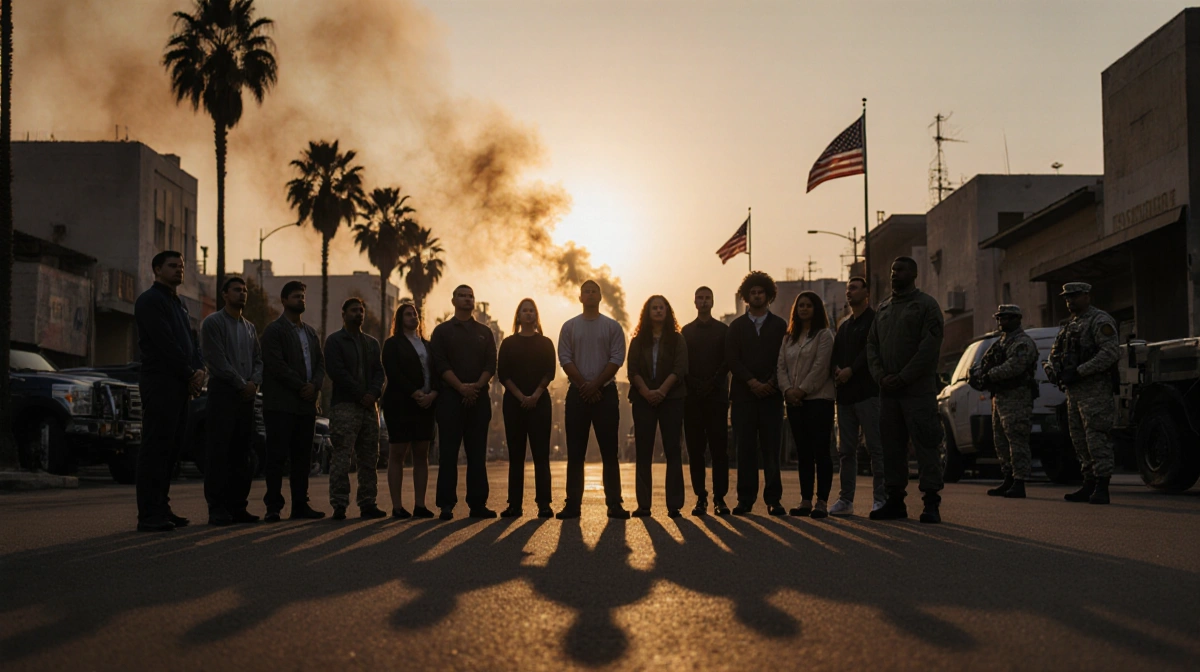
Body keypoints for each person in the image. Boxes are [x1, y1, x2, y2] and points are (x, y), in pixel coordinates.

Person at [867, 257, 946, 524]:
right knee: (892, 448)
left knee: (926, 444)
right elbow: (872, 347)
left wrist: (903, 377)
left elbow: (928, 349)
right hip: (889, 393)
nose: (894, 274)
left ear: (913, 273)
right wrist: (881, 377)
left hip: (917, 391)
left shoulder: (926, 305)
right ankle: (895, 501)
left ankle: (931, 503)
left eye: (899, 270)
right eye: (892, 270)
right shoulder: (884, 308)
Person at [133, 250, 205, 532]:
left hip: (180, 385)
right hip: (160, 382)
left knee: (172, 449)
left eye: (182, 266)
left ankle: (162, 507)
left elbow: (192, 342)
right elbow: (165, 344)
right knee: (156, 448)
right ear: (157, 269)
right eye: (173, 266)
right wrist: (190, 373)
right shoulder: (150, 301)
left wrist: (199, 369)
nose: (179, 270)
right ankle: (149, 514)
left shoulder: (179, 303)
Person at [557, 280, 630, 520]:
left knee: (610, 452)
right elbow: (565, 358)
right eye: (585, 291)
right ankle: (572, 504)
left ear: (600, 297)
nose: (589, 294)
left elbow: (617, 357)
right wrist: (584, 385)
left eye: (594, 291)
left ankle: (614, 503)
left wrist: (596, 384)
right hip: (577, 394)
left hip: (605, 393)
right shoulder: (569, 327)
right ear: (580, 297)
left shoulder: (612, 327)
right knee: (575, 453)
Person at [1044, 282, 1120, 505]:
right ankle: (1088, 484)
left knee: (1096, 438)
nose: (1070, 301)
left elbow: (1110, 352)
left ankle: (1102, 486)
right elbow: (1054, 354)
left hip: (1095, 390)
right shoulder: (1069, 326)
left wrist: (1079, 372)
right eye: (1067, 297)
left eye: (1075, 296)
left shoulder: (1100, 320)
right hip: (1074, 393)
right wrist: (1052, 370)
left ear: (1087, 296)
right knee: (1079, 440)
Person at [199, 276, 264, 525]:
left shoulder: (249, 327)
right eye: (237, 290)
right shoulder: (213, 323)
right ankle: (217, 508)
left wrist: (254, 383)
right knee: (219, 452)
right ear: (224, 294)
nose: (242, 294)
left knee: (242, 453)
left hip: (246, 396)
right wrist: (242, 383)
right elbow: (217, 360)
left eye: (245, 290)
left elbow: (258, 359)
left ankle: (238, 506)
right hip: (224, 393)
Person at [260, 281, 326, 521]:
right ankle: (273, 507)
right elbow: (276, 366)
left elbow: (320, 363)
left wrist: (315, 385)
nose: (301, 300)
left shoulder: (310, 332)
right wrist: (302, 386)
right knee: (277, 458)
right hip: (281, 405)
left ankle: (300, 505)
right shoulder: (274, 331)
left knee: (302, 459)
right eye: (296, 296)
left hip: (305, 407)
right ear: (284, 300)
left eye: (303, 296)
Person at [430, 285, 498, 520]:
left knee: (477, 455)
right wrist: (460, 388)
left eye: (471, 296)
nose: (467, 299)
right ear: (453, 300)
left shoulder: (484, 332)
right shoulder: (442, 332)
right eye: (462, 295)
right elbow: (440, 364)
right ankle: (446, 505)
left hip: (479, 400)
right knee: (448, 454)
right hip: (450, 400)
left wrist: (476, 387)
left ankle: (478, 504)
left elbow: (491, 364)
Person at [727, 271, 788, 517]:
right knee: (745, 450)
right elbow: (732, 359)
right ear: (746, 296)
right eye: (752, 292)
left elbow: (783, 358)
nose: (756, 296)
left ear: (768, 295)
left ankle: (774, 500)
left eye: (760, 292)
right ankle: (745, 499)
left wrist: (771, 382)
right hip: (743, 397)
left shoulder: (780, 325)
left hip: (772, 397)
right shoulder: (737, 326)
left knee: (772, 450)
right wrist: (752, 382)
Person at [324, 297, 387, 520]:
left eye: (361, 310)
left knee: (370, 457)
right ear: (344, 314)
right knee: (342, 456)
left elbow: (380, 372)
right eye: (353, 310)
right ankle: (339, 503)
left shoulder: (371, 343)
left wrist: (373, 394)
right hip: (345, 406)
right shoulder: (334, 341)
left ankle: (368, 503)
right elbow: (337, 372)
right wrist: (361, 394)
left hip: (370, 408)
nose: (358, 314)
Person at [627, 295, 689, 518]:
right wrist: (647, 392)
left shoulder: (677, 339)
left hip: (671, 399)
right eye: (654, 308)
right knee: (644, 452)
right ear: (647, 312)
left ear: (667, 311)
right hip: (643, 401)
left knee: (673, 450)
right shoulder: (637, 341)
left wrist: (661, 391)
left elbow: (680, 368)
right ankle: (644, 505)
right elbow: (632, 371)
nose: (658, 311)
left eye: (661, 307)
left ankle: (674, 505)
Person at [777, 291, 836, 519]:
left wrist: (802, 390)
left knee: (820, 450)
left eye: (808, 305)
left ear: (816, 309)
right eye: (800, 305)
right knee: (803, 453)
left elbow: (821, 367)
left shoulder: (824, 335)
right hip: (794, 403)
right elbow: (781, 367)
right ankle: (805, 501)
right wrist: (787, 391)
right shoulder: (788, 338)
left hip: (818, 400)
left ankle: (821, 501)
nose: (803, 309)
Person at [497, 298, 557, 518]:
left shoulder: (546, 343)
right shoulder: (508, 343)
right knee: (516, 456)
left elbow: (549, 371)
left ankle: (544, 504)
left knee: (541, 455)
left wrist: (535, 395)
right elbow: (503, 374)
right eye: (525, 310)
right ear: (518, 316)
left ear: (536, 316)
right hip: (514, 403)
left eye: (532, 310)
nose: (529, 314)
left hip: (540, 403)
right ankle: (514, 505)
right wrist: (521, 396)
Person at [829, 276, 883, 516]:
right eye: (847, 289)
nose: (849, 292)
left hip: (868, 394)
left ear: (866, 292)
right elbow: (835, 354)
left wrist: (852, 370)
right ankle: (845, 500)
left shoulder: (875, 320)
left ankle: (881, 498)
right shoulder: (844, 325)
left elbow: (870, 352)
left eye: (854, 288)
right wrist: (837, 370)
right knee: (846, 451)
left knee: (875, 448)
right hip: (846, 397)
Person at [974, 305, 1039, 499]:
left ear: (1017, 319)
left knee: (1016, 439)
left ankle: (1019, 481)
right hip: (1000, 396)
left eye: (1007, 318)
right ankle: (1008, 478)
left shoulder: (1022, 343)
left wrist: (989, 376)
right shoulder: (1001, 343)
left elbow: (1015, 366)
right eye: (1000, 318)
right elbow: (985, 363)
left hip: (1017, 396)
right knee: (1001, 440)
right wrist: (978, 374)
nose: (1002, 322)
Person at [381, 303, 438, 519]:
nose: (413, 316)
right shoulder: (393, 344)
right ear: (399, 318)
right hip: (400, 404)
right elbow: (393, 372)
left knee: (421, 454)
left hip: (426, 405)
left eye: (415, 313)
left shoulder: (428, 345)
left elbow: (437, 373)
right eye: (408, 314)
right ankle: (397, 506)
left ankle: (420, 505)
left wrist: (432, 394)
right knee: (398, 453)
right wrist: (414, 393)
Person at [681, 286, 730, 516]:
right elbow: (682, 364)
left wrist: (712, 383)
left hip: (717, 398)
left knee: (719, 449)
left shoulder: (723, 330)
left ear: (713, 301)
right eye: (699, 298)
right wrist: (695, 384)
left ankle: (720, 498)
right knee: (696, 450)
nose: (703, 301)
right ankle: (700, 497)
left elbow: (727, 361)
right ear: (694, 302)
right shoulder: (686, 332)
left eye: (707, 298)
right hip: (692, 400)